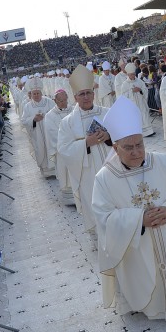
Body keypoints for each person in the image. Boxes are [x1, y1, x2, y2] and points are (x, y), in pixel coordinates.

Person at [92, 97, 166, 327]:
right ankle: (143, 306)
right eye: (128, 147)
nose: (137, 152)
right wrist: (139, 220)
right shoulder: (104, 179)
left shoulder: (161, 161)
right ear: (115, 147)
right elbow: (103, 217)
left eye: (140, 144)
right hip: (138, 246)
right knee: (143, 280)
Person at [57, 65, 111, 235]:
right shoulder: (67, 123)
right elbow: (63, 149)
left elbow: (125, 138)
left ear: (94, 94)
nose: (86, 97)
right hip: (88, 174)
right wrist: (86, 143)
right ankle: (99, 237)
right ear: (75, 97)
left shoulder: (107, 113)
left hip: (112, 168)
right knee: (95, 203)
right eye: (82, 94)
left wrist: (109, 136)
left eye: (88, 92)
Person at [21, 76, 56, 178]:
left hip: (49, 132)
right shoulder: (28, 106)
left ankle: (55, 170)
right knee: (41, 150)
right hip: (37, 134)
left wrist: (46, 115)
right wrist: (33, 119)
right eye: (34, 94)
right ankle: (46, 172)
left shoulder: (49, 101)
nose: (36, 95)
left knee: (51, 148)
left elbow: (56, 113)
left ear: (41, 93)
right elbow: (24, 120)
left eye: (38, 93)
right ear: (31, 94)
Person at [44, 89, 74, 206]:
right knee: (66, 175)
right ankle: (70, 199)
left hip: (77, 149)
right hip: (62, 151)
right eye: (60, 101)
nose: (63, 103)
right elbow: (52, 134)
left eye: (65, 100)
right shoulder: (50, 116)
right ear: (55, 100)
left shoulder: (74, 110)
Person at [121, 63, 155, 137]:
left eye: (133, 74)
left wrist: (140, 90)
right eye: (131, 74)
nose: (133, 76)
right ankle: (138, 132)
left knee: (144, 115)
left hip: (141, 102)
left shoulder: (139, 81)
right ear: (128, 74)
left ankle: (148, 132)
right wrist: (131, 91)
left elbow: (145, 90)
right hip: (133, 105)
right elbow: (123, 96)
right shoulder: (125, 84)